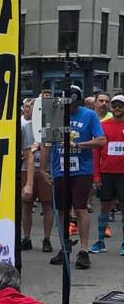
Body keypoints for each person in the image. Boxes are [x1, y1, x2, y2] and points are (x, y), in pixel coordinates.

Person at [49, 85, 106, 271]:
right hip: (59, 169)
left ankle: (83, 250)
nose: (70, 108)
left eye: (73, 104)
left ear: (79, 101)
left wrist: (79, 144)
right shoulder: (56, 114)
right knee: (62, 210)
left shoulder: (89, 115)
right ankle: (64, 246)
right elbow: (47, 142)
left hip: (81, 169)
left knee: (80, 208)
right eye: (67, 104)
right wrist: (43, 169)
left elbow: (101, 141)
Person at [90, 93, 124, 255]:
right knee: (104, 207)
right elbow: (96, 153)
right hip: (106, 173)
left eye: (120, 105)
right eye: (115, 105)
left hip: (122, 174)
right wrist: (96, 175)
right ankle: (100, 241)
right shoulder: (104, 126)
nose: (117, 108)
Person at [20, 97, 54, 253]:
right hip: (26, 169)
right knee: (26, 204)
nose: (35, 111)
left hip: (45, 169)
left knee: (47, 205)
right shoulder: (24, 127)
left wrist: (40, 147)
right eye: (31, 108)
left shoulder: (49, 127)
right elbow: (22, 150)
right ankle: (26, 238)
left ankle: (47, 239)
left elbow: (50, 147)